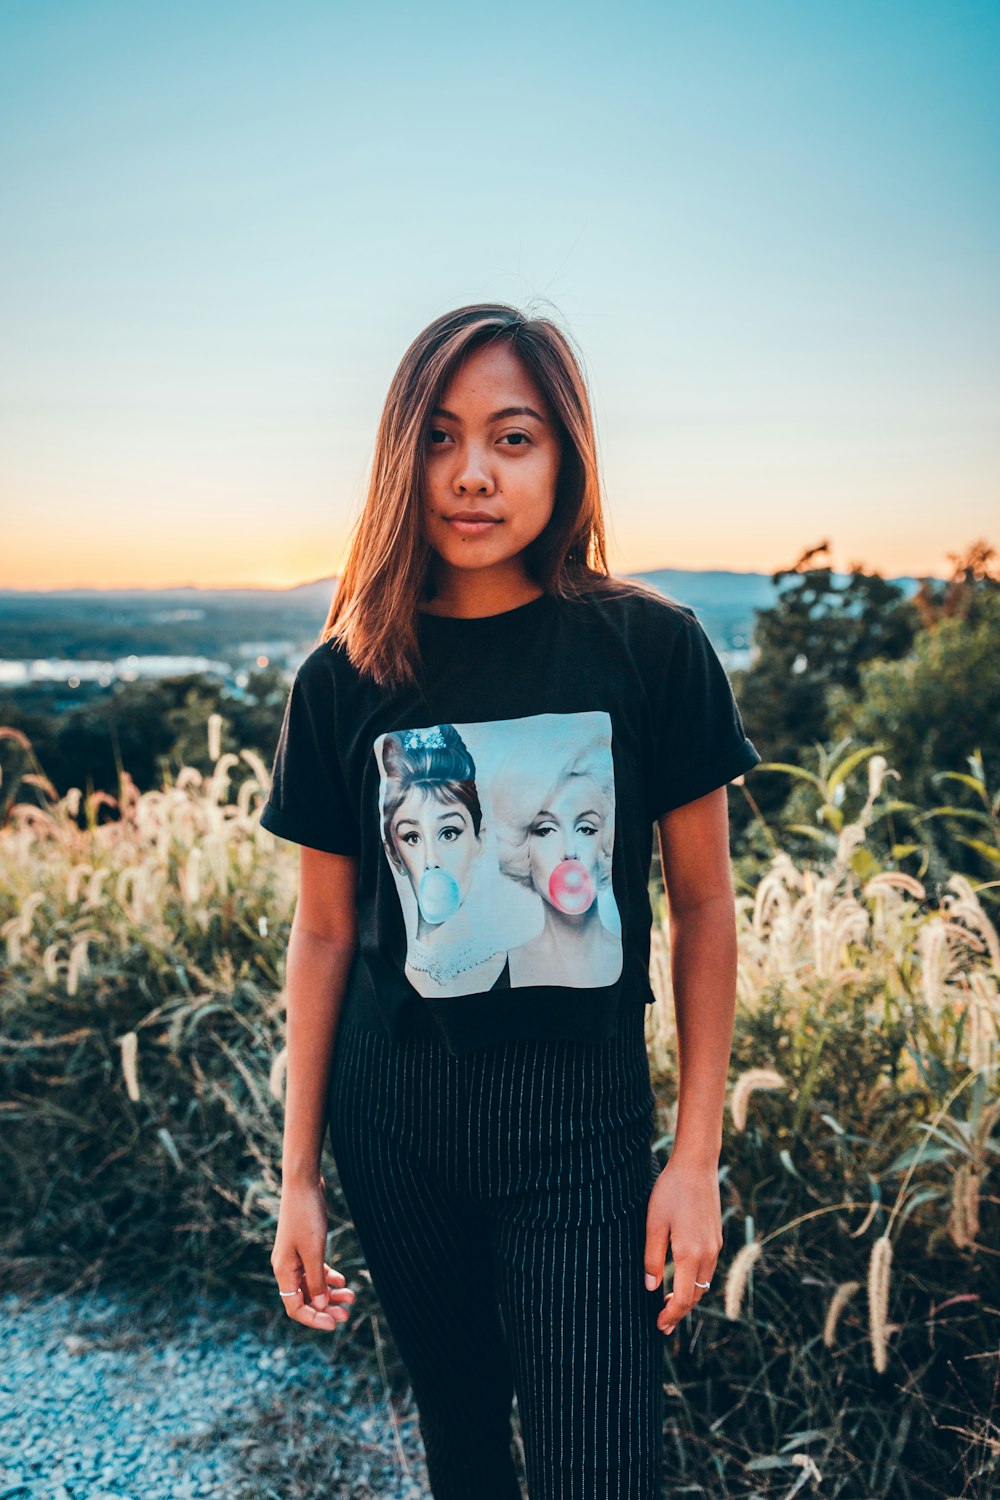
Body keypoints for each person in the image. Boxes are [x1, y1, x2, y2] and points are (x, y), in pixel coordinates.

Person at [260, 302, 761, 1499]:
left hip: (582, 1132)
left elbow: (701, 911)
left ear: (566, 454)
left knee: (602, 1470)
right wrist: (298, 1179)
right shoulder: (345, 676)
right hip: (395, 1126)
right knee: (468, 1460)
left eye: (512, 437)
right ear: (398, 457)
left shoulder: (650, 648)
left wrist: (694, 1158)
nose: (471, 474)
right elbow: (327, 933)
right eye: (437, 437)